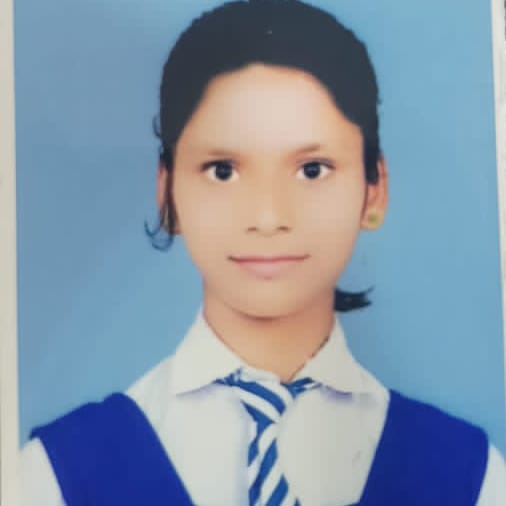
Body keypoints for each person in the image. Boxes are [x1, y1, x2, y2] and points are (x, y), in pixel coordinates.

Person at [20, 0, 506, 504]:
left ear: (374, 189)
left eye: (312, 170)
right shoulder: (53, 477)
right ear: (168, 194)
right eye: (223, 170)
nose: (269, 217)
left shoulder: (471, 478)